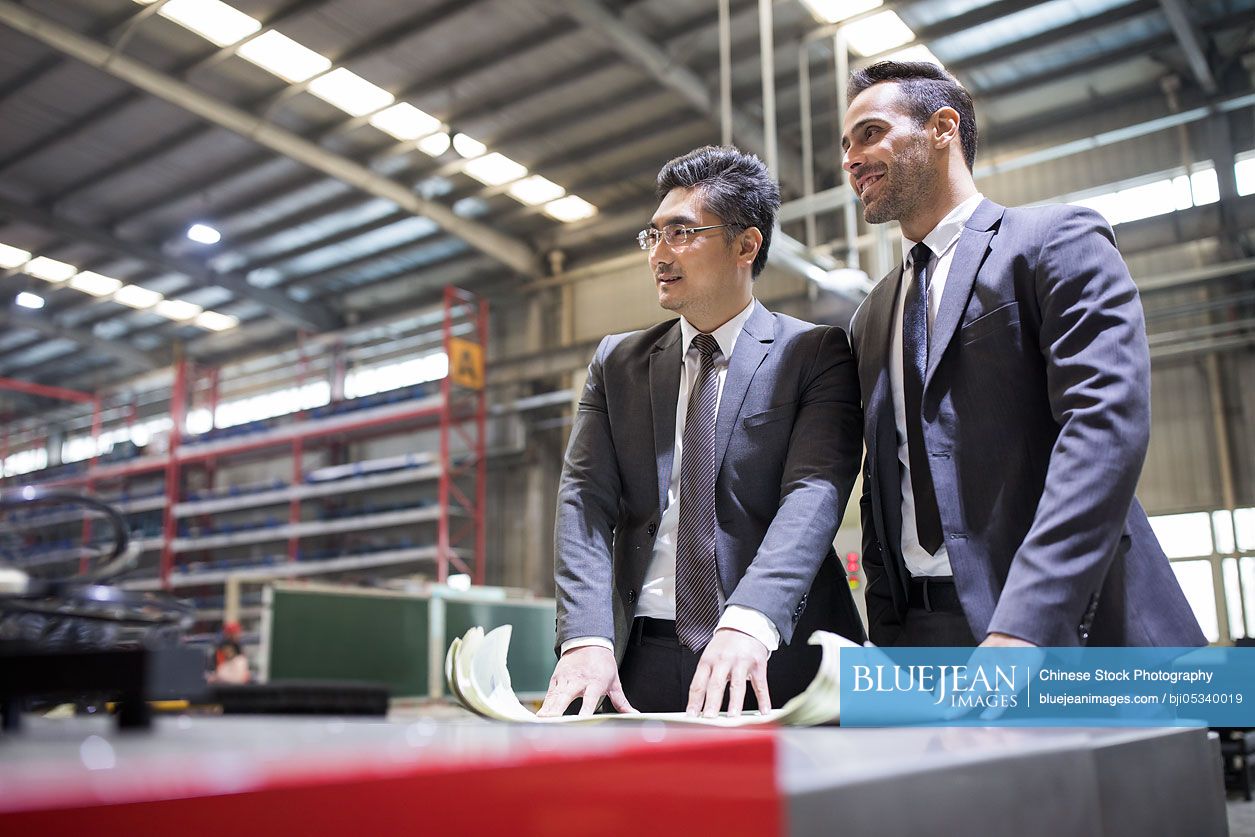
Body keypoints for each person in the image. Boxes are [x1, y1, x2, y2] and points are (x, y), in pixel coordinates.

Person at [842, 61, 1205, 648]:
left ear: (942, 127)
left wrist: (1025, 622)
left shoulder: (1055, 242)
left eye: (870, 134)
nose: (850, 160)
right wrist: (890, 631)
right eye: (845, 145)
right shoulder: (871, 315)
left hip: (1067, 627)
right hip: (922, 635)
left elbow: (1103, 427)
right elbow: (884, 480)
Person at [540, 145, 865, 718]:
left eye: (682, 233)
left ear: (746, 245)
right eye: (653, 235)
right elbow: (583, 500)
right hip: (633, 660)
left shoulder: (813, 353)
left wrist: (751, 619)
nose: (660, 254)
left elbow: (814, 492)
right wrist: (586, 635)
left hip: (769, 650)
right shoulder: (618, 363)